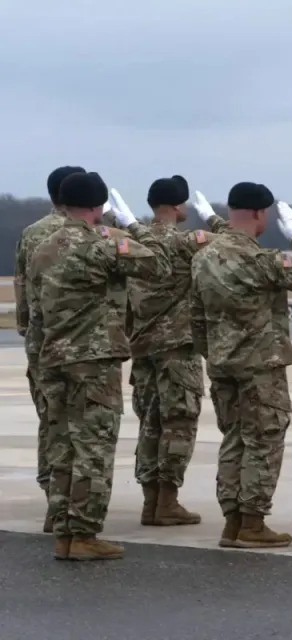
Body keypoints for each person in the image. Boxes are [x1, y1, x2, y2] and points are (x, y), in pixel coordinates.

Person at [26, 171, 171, 561]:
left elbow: (34, 313)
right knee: (93, 447)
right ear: (98, 206)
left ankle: (63, 533)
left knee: (61, 447)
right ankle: (84, 534)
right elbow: (158, 265)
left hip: (53, 358)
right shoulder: (99, 245)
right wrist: (127, 232)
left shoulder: (43, 247)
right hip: (93, 361)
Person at [190, 182, 292, 549]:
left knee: (233, 438)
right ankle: (252, 522)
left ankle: (233, 522)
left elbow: (197, 318)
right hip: (259, 365)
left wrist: (214, 352)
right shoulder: (261, 260)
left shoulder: (202, 257)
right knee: (264, 439)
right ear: (259, 213)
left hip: (222, 363)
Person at [126, 176, 230, 526]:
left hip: (142, 347)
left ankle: (150, 501)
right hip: (176, 347)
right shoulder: (185, 243)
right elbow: (235, 241)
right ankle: (167, 501)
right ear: (176, 206)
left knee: (150, 424)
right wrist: (213, 219)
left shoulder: (133, 239)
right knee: (178, 424)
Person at [14, 165, 86, 532]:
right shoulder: (85, 234)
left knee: (51, 422)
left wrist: (29, 332)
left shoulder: (32, 233)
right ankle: (74, 504)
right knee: (83, 428)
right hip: (81, 346)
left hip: (39, 344)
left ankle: (52, 498)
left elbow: (23, 288)